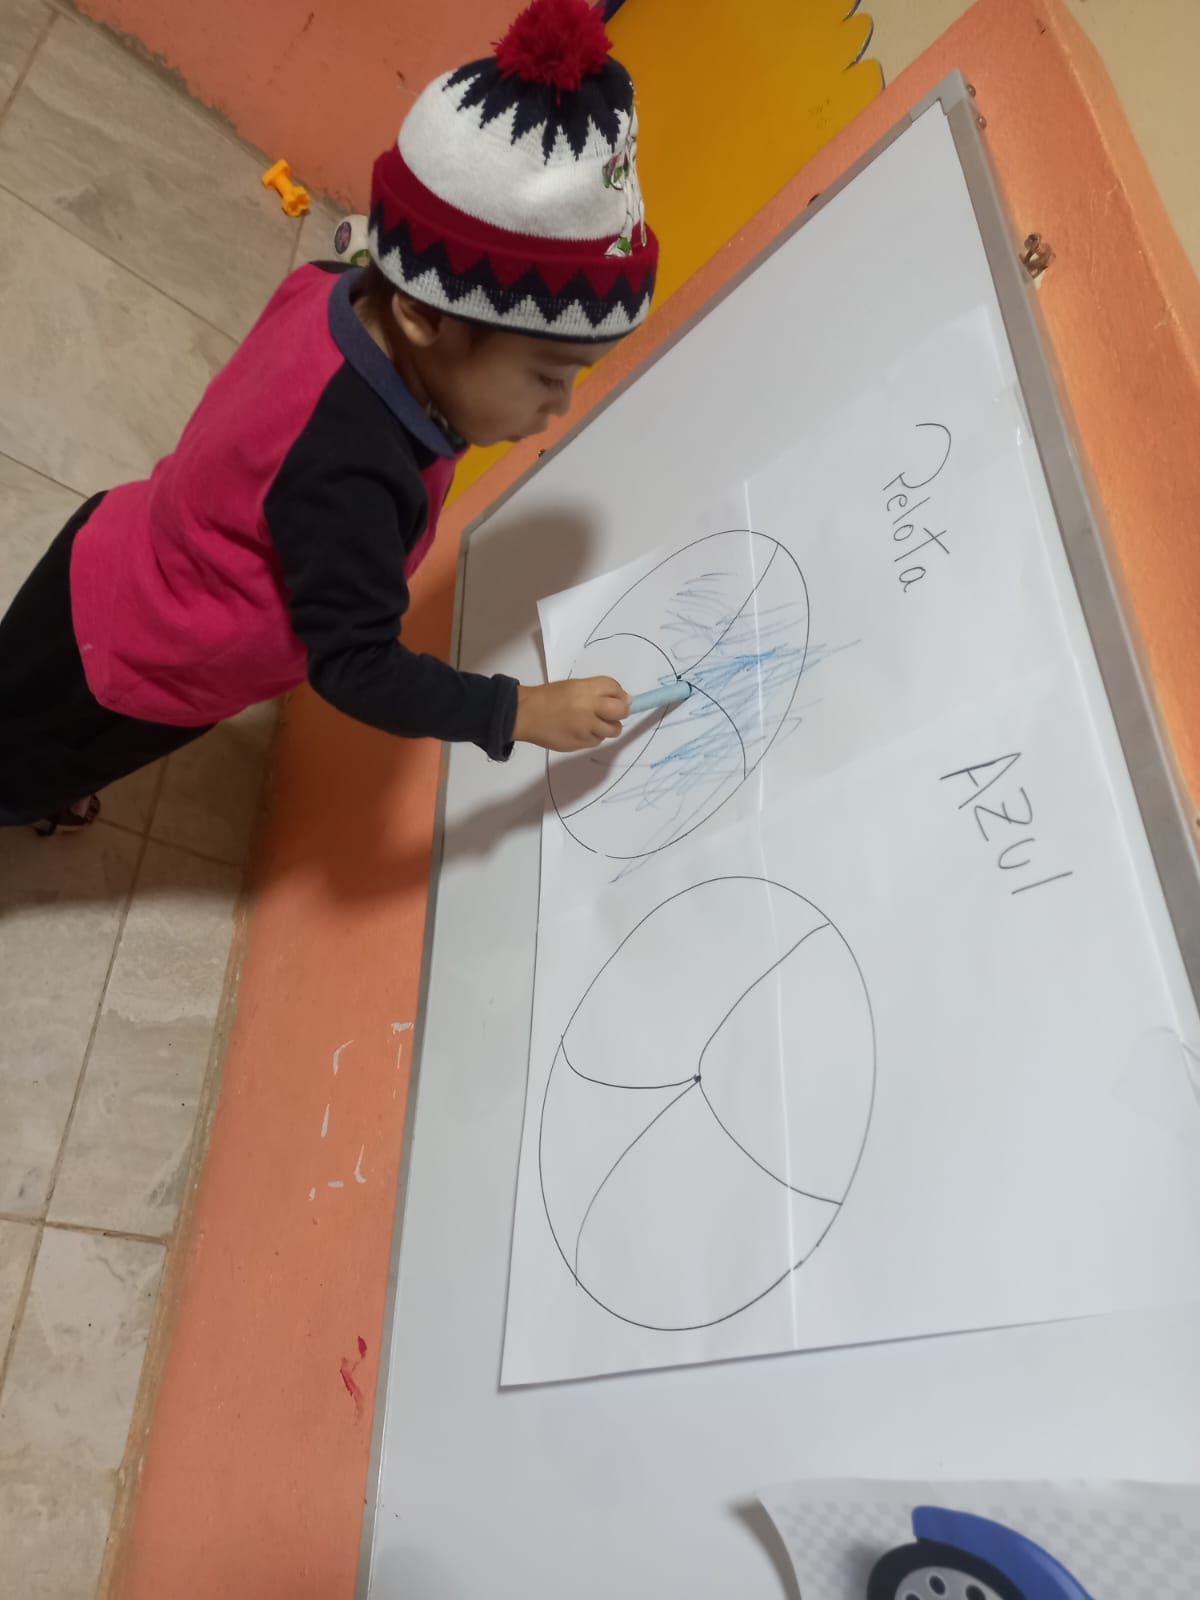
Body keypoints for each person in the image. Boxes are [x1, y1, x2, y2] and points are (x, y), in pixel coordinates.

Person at [0, 0, 658, 833]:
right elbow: (357, 667)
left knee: (31, 720)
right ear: (426, 317)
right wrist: (517, 711)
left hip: (116, 559)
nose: (556, 409)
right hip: (139, 656)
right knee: (27, 756)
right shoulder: (352, 464)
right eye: (546, 376)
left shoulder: (335, 288)